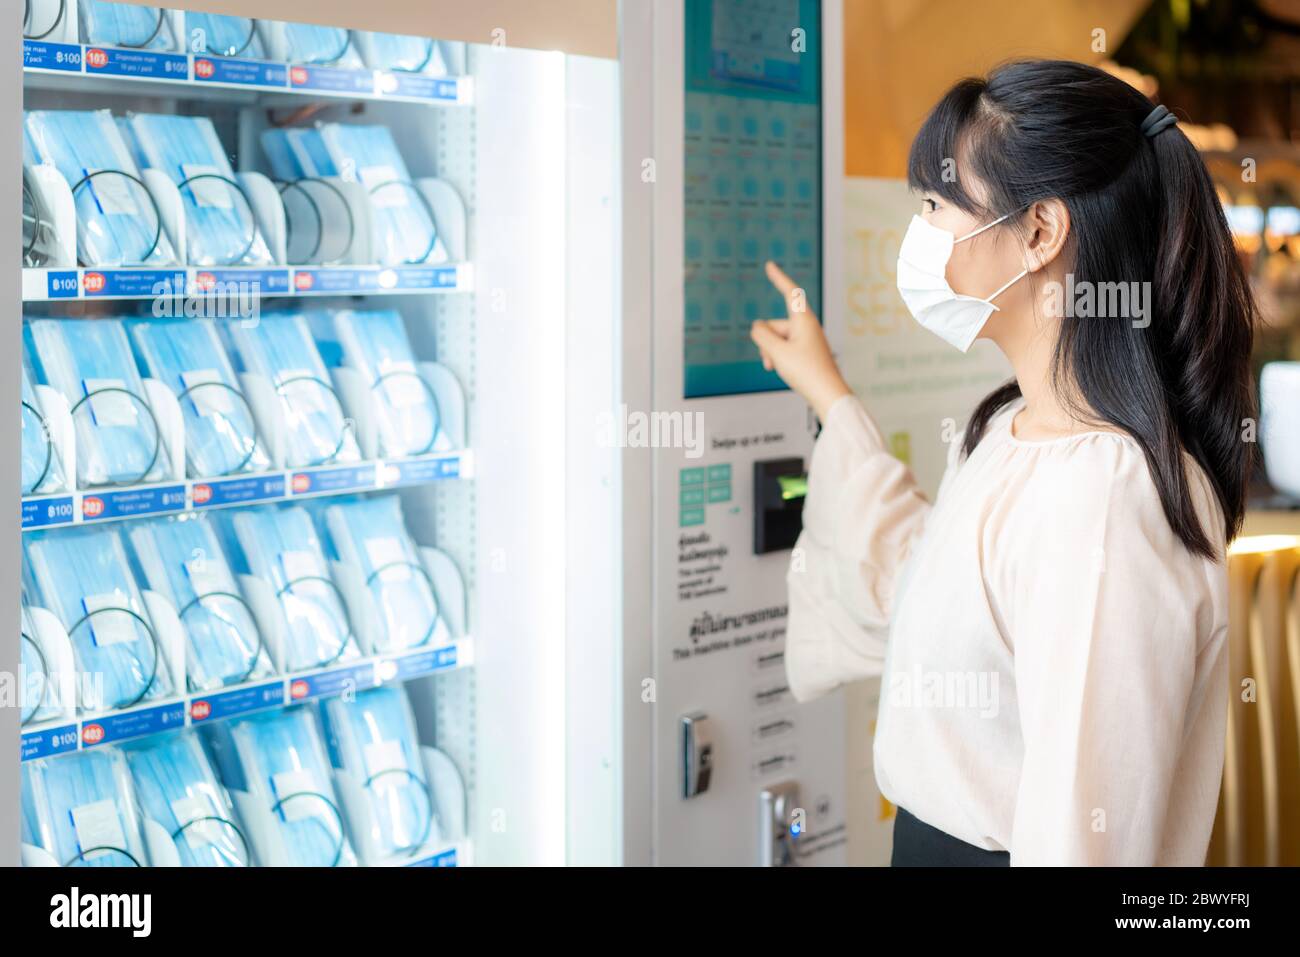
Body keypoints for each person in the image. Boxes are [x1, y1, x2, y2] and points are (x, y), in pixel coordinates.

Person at [751, 59, 1257, 866]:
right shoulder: (1006, 428)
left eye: (935, 205)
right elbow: (923, 590)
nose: (915, 234)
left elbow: (1091, 834)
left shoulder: (1109, 494)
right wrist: (828, 392)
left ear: (1040, 232)